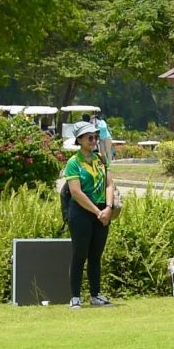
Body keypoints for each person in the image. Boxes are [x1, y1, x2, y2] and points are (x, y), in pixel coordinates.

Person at [60, 127, 115, 306]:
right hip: (81, 212)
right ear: (80, 140)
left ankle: (95, 295)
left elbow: (109, 184)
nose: (94, 141)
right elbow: (76, 192)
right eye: (90, 138)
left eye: (95, 137)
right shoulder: (73, 162)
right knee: (79, 254)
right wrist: (97, 212)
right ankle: (75, 297)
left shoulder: (101, 159)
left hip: (102, 211)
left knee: (95, 255)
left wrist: (108, 208)